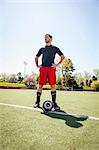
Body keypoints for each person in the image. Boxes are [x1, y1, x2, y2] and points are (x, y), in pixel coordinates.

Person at [34, 34, 65, 110]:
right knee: (40, 85)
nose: (45, 38)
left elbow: (62, 56)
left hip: (51, 68)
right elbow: (36, 57)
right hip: (43, 68)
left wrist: (57, 64)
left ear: (51, 39)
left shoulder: (55, 48)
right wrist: (37, 65)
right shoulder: (42, 49)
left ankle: (54, 103)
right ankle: (37, 102)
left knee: (53, 85)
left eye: (47, 37)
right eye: (44, 37)